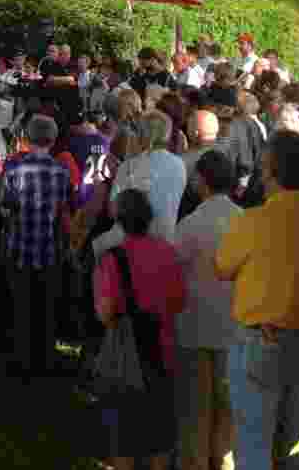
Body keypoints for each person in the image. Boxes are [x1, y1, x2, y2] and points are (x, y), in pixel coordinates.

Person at [215, 130, 299, 470]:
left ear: (268, 170)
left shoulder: (251, 221)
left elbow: (223, 268)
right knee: (290, 443)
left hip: (258, 341)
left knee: (254, 445)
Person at [95, 189, 187, 470]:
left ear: (119, 220)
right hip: (163, 353)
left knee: (124, 438)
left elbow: (106, 314)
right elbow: (179, 302)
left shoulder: (112, 259)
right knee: (158, 437)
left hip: (126, 359)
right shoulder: (168, 253)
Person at [174, 151, 239, 470]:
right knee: (227, 407)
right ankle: (223, 463)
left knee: (196, 409)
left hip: (196, 325)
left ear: (202, 181)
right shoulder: (244, 220)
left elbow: (173, 269)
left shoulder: (191, 223)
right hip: (234, 326)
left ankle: (196, 463)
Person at [1, 114, 72, 380]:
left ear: (27, 139)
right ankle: (46, 360)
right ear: (53, 141)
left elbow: (6, 209)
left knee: (22, 308)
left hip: (19, 247)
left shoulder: (13, 171)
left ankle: (23, 362)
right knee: (47, 309)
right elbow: (63, 210)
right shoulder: (62, 172)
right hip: (49, 249)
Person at [92, 111, 187, 262]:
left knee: (92, 249)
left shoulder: (130, 165)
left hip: (127, 243)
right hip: (166, 240)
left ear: (141, 135)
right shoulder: (180, 164)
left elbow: (113, 212)